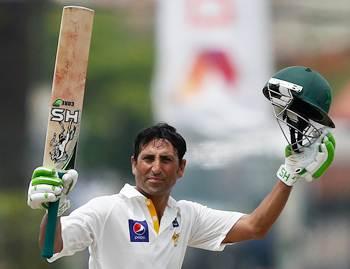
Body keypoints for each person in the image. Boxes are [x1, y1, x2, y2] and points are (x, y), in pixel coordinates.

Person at [27, 66, 336, 269]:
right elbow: (50, 246)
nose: (156, 168)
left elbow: (255, 226)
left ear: (181, 169)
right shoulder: (106, 210)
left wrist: (288, 176)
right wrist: (51, 210)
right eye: (148, 159)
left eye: (166, 160)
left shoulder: (186, 216)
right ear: (134, 165)